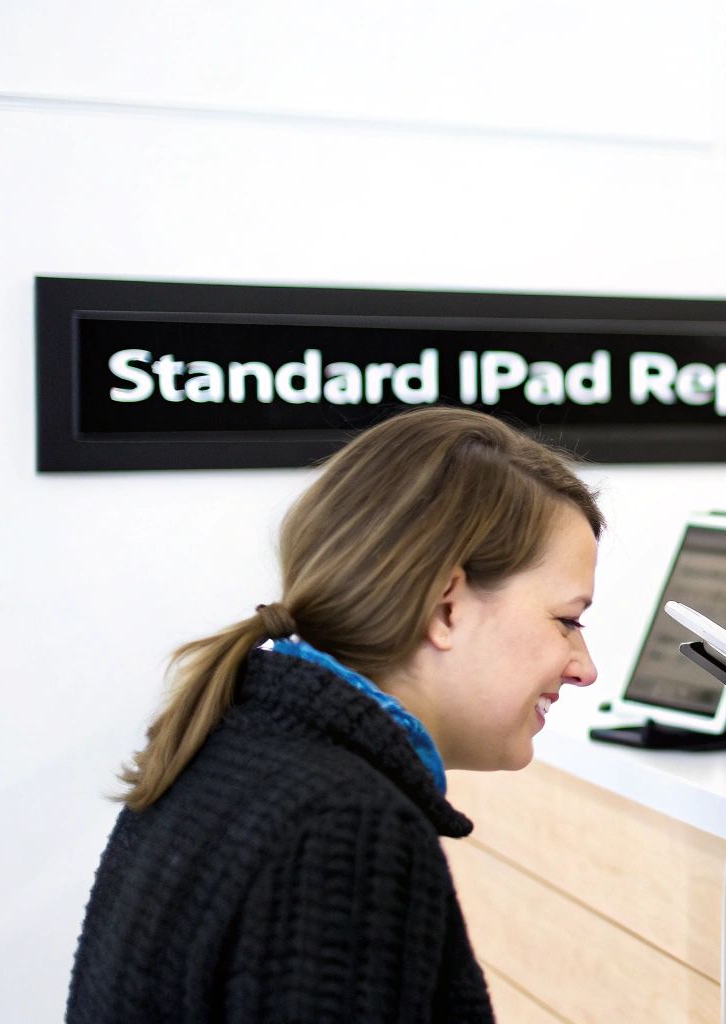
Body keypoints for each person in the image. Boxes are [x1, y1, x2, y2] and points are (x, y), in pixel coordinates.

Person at [67, 407, 604, 1023]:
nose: (584, 667)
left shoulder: (230, 742)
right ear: (446, 607)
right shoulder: (346, 828)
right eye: (567, 621)